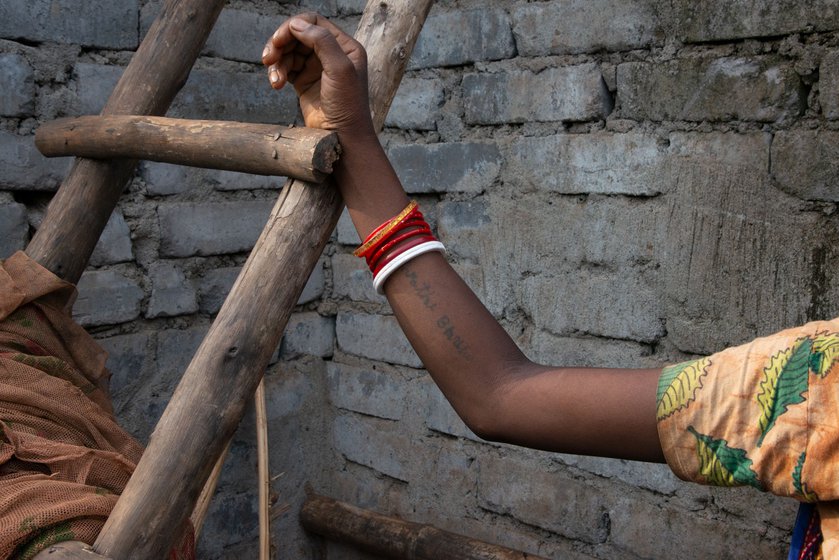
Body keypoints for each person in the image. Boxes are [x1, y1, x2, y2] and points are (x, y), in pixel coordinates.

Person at [262, 13, 839, 559]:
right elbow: (498, 395)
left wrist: (356, 145)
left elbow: (498, 394)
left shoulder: (820, 384)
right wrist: (353, 143)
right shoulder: (820, 385)